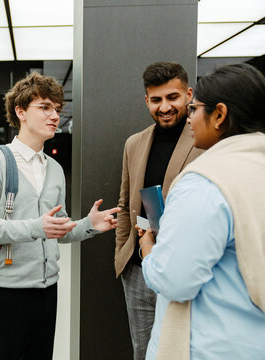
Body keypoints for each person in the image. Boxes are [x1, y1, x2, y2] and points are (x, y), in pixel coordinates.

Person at [0, 72, 120, 360]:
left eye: (57, 110)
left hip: (48, 290)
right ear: (20, 111)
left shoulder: (54, 169)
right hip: (7, 292)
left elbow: (56, 229)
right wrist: (36, 226)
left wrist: (89, 225)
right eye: (45, 107)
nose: (54, 116)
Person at [139, 63, 265, 359]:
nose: (190, 119)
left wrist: (148, 249)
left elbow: (174, 280)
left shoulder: (204, 182)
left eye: (194, 109)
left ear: (219, 115)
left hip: (210, 345)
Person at [114, 62, 203, 360]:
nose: (164, 107)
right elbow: (126, 202)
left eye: (172, 97)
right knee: (142, 351)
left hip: (185, 269)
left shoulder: (206, 142)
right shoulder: (134, 143)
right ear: (147, 101)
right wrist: (123, 255)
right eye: (156, 100)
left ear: (188, 95)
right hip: (139, 269)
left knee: (181, 351)